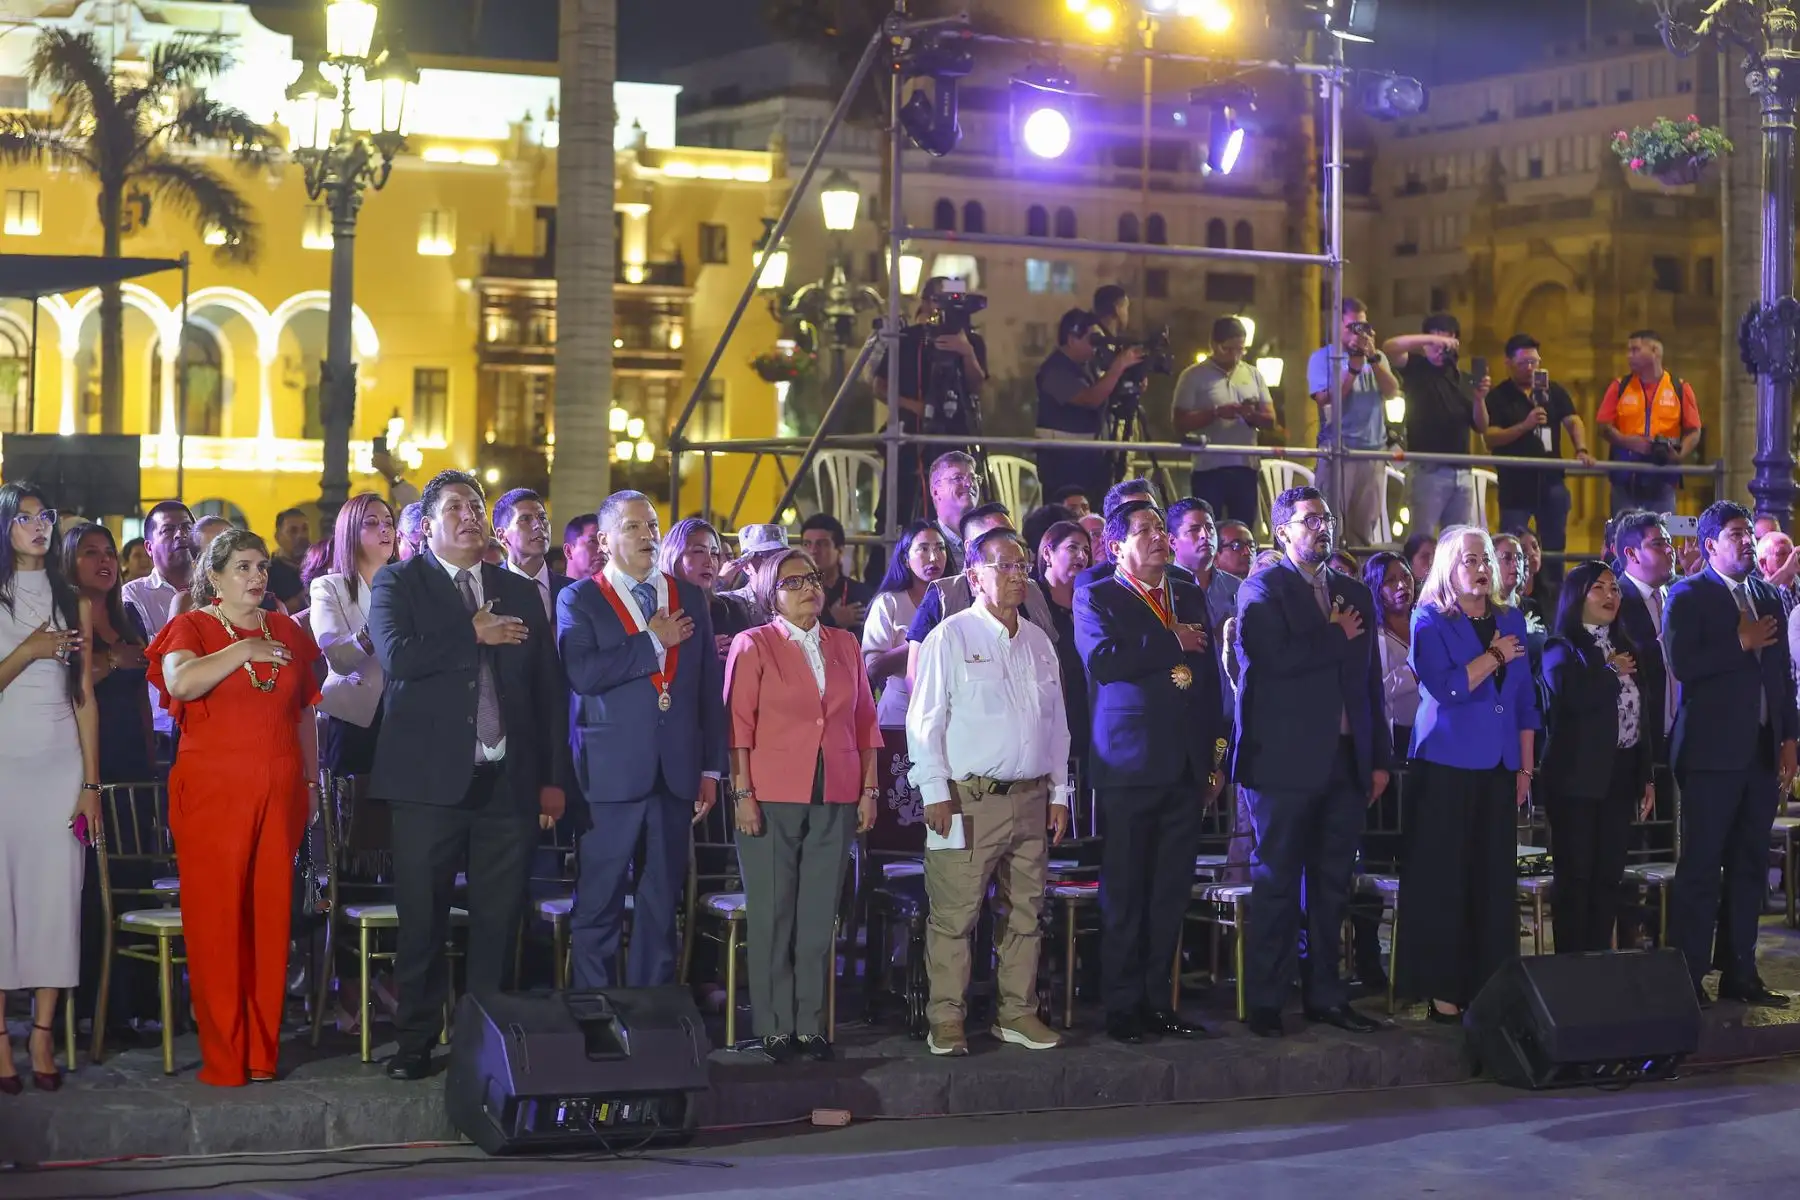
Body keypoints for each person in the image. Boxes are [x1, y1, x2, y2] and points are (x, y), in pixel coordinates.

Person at [367, 470, 566, 1081]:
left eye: (477, 506)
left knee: (499, 918)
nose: (471, 516)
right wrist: (469, 632)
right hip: (427, 784)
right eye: (456, 507)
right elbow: (397, 658)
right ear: (427, 525)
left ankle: (484, 1040)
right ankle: (416, 1041)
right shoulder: (400, 582)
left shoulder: (517, 588)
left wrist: (553, 779)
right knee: (423, 919)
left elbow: (546, 692)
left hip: (507, 778)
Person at [146, 528, 319, 1086]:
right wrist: (241, 648)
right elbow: (182, 681)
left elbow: (305, 711)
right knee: (218, 920)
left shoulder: (287, 628)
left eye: (262, 566)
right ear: (214, 576)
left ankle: (262, 1053)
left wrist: (311, 781)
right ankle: (225, 1056)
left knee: (270, 919)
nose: (257, 576)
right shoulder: (191, 626)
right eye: (243, 566)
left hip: (281, 787)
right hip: (212, 794)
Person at [1232, 486, 1390, 1037]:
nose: (1321, 527)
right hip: (1282, 764)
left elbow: (1369, 679)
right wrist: (1331, 635)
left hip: (1345, 762)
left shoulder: (1353, 591)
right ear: (1283, 532)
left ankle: (1327, 995)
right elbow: (1271, 661)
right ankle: (1268, 1003)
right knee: (1276, 883)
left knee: (1332, 885)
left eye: (1326, 518)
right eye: (1308, 520)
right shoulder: (1262, 587)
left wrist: (1377, 759)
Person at [910, 527, 1071, 1057]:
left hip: (1029, 797)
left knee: (1026, 912)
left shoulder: (1039, 641)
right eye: (1003, 565)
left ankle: (1016, 1014)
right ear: (973, 575)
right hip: (966, 798)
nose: (1016, 575)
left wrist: (1059, 792)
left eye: (1021, 566)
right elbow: (924, 721)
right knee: (955, 915)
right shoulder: (950, 637)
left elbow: (1058, 726)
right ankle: (947, 1019)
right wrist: (933, 789)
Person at [559, 490, 724, 992]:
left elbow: (706, 691)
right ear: (605, 540)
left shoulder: (688, 596)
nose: (647, 534)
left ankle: (653, 1015)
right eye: (632, 527)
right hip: (610, 774)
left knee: (660, 901)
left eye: (652, 525)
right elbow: (583, 674)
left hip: (675, 772)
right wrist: (653, 641)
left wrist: (711, 769)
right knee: (600, 899)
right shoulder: (580, 598)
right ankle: (594, 1013)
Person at [1075, 499, 1227, 1044]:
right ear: (1116, 546)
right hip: (1129, 765)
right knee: (1126, 890)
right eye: (1145, 531)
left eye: (1162, 529)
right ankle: (1121, 1007)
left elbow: (1207, 678)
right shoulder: (1096, 596)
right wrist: (1170, 641)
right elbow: (1106, 661)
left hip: (1185, 766)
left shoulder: (1186, 592)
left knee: (1168, 892)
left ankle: (1159, 1002)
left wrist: (1215, 755)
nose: (1160, 538)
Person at [725, 549, 880, 1061]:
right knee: (773, 915)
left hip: (835, 792)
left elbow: (864, 723)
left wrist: (869, 789)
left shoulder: (845, 644)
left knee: (818, 918)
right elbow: (737, 729)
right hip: (770, 796)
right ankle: (773, 1025)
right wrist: (743, 794)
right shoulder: (753, 645)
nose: (808, 587)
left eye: (812, 578)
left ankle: (810, 1025)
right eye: (793, 582)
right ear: (771, 594)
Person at [1400, 526, 1540, 1020]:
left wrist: (1525, 764)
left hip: (1500, 766)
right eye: (1470, 561)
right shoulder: (1429, 620)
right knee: (1448, 881)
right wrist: (1495, 655)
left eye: (1485, 560)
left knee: (1493, 882)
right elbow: (1447, 688)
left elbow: (1524, 699)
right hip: (1446, 765)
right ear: (1448, 568)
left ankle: (1492, 989)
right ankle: (1444, 994)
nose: (1481, 569)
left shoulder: (1511, 618)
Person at [1665, 501, 1798, 1006]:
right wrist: (1738, 642)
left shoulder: (1768, 595)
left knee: (1749, 868)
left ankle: (1742, 973)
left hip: (1761, 755)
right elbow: (1682, 664)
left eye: (1749, 533)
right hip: (1710, 755)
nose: (1746, 541)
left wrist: (1789, 739)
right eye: (1736, 533)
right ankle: (1689, 974)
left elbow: (1782, 675)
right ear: (1710, 544)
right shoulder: (1688, 595)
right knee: (1701, 867)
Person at [0, 485, 96, 1094]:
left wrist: (91, 783)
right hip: (4, 764)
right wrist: (29, 650)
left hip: (61, 764)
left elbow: (84, 696)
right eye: (26, 518)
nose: (39, 527)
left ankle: (41, 1034)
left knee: (57, 899)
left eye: (46, 518)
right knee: (2, 900)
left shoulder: (75, 599)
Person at [1541, 560, 1655, 955]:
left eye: (1614, 589)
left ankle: (1599, 962)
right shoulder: (1560, 647)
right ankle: (1572, 965)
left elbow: (1641, 716)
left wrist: (1647, 775)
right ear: (1578, 596)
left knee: (1609, 876)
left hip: (1620, 775)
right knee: (1576, 876)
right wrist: (1608, 671)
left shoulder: (1626, 646)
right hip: (1577, 778)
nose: (1611, 596)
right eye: (1599, 589)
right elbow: (1571, 698)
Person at [871, 276, 990, 536]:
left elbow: (976, 385)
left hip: (955, 435)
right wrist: (915, 406)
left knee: (958, 507)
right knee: (897, 507)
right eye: (939, 299)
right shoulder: (908, 340)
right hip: (911, 438)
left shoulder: (970, 341)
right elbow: (879, 386)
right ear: (924, 302)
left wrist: (966, 352)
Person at [1482, 335, 1592, 589]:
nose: (1530, 368)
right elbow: (1491, 437)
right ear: (1508, 362)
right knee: (1510, 544)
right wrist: (1525, 425)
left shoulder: (1553, 391)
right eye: (1524, 363)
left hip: (1551, 480)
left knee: (1554, 548)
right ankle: (1511, 593)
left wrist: (1581, 449)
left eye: (1535, 362)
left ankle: (1553, 598)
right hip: (1515, 483)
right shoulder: (1498, 397)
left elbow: (1573, 421)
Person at [309, 494, 397, 776]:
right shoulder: (329, 587)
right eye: (371, 523)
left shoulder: (406, 583)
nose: (384, 529)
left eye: (388, 522)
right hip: (356, 718)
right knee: (361, 815)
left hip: (408, 714)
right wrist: (376, 630)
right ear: (349, 532)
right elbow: (338, 658)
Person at [1384, 315, 1489, 535]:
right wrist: (1430, 339)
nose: (1440, 349)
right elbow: (1390, 347)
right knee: (1421, 538)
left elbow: (1481, 426)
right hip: (1428, 471)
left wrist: (1479, 399)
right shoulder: (1416, 367)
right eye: (1434, 342)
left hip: (1462, 472)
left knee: (1457, 540)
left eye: (1446, 342)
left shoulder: (1463, 379)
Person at [65, 523, 153, 784]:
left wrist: (149, 755)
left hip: (131, 753)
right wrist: (112, 661)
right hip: (84, 753)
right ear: (69, 561)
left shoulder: (129, 616)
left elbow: (142, 694)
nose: (104, 560)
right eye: (91, 552)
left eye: (109, 553)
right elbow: (64, 686)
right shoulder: (62, 617)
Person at [1310, 298, 1399, 546]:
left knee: (1362, 534)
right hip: (1338, 453)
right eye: (1352, 327)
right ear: (1337, 326)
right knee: (1330, 529)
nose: (1358, 334)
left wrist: (1372, 359)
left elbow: (1392, 390)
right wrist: (1353, 369)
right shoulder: (1322, 358)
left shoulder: (1377, 357)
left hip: (1372, 453)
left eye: (1363, 326)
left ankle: (1358, 581)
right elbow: (1326, 401)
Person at [1173, 317, 1277, 525]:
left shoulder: (1253, 374)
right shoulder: (1193, 376)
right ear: (1213, 344)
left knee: (1245, 529)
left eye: (1241, 350)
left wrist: (1250, 415)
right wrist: (1215, 413)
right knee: (1208, 529)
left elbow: (1270, 419)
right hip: (1209, 468)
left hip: (1246, 466)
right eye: (1228, 349)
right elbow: (1179, 422)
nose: (1235, 356)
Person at [1035, 308, 1143, 508]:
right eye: (1092, 340)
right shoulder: (1054, 370)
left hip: (1091, 464)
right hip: (1062, 468)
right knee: (1066, 523)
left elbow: (1106, 396)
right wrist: (1118, 367)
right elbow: (1090, 398)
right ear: (1072, 339)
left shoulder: (1088, 366)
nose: (1095, 348)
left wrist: (1131, 380)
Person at [1597, 330, 1702, 515]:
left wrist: (1679, 454)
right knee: (1624, 537)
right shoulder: (1619, 386)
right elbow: (1603, 426)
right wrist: (1627, 441)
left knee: (1661, 537)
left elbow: (1694, 431)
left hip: (1663, 479)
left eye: (1635, 350)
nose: (1629, 356)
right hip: (1625, 479)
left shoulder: (1679, 387)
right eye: (1628, 350)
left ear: (1655, 350)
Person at [122, 501, 196, 759]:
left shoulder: (217, 588)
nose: (181, 535)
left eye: (187, 527)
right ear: (149, 547)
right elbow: (143, 659)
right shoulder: (134, 594)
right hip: (161, 728)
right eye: (168, 530)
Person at [863, 520, 948, 733]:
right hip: (899, 713)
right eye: (923, 549)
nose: (933, 557)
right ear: (905, 559)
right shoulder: (888, 602)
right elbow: (873, 668)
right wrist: (920, 642)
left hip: (948, 707)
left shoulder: (956, 598)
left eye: (940, 548)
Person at [1035, 518, 1092, 765]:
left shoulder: (1090, 602)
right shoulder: (1029, 601)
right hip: (1046, 718)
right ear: (1047, 553)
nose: (1082, 555)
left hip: (1086, 715)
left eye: (1086, 550)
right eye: (1073, 547)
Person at [661, 517, 735, 667]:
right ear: (674, 555)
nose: (709, 562)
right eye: (698, 551)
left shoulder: (728, 609)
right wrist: (702, 651)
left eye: (714, 554)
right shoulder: (659, 610)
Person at [492, 488, 572, 623]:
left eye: (542, 517)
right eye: (525, 519)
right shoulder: (487, 590)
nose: (539, 525)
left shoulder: (573, 591)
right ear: (501, 536)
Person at [1167, 497, 1241, 629]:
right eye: (1194, 529)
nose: (1205, 535)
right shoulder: (1163, 588)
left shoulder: (1236, 586)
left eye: (1210, 528)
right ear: (1172, 541)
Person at [801, 514, 873, 638]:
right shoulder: (795, 593)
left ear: (839, 550)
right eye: (807, 544)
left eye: (822, 544)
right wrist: (833, 620)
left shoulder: (861, 594)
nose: (813, 551)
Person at [924, 451, 982, 571]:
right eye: (958, 478)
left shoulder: (988, 540)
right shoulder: (923, 546)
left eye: (973, 478)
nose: (969, 483)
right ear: (935, 492)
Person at [268, 507, 310, 611]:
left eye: (305, 529)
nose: (301, 536)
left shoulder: (318, 566)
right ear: (278, 537)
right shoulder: (268, 573)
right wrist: (303, 597)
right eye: (293, 531)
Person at [563, 512, 603, 579]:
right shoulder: (550, 588)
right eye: (592, 541)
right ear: (568, 551)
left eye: (605, 542)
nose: (602, 548)